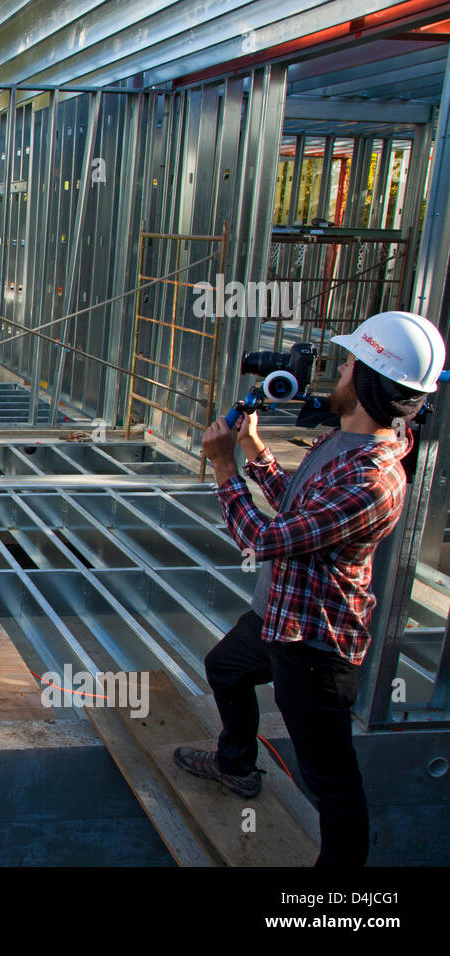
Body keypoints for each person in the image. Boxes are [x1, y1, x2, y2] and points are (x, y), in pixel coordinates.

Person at [182, 310, 445, 866]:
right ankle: (237, 767)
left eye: (350, 363)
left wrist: (225, 467)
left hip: (314, 644)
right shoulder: (343, 441)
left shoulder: (372, 478)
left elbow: (265, 539)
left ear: (369, 381)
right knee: (225, 668)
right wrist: (255, 452)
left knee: (331, 783)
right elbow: (302, 510)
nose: (339, 369)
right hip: (280, 615)